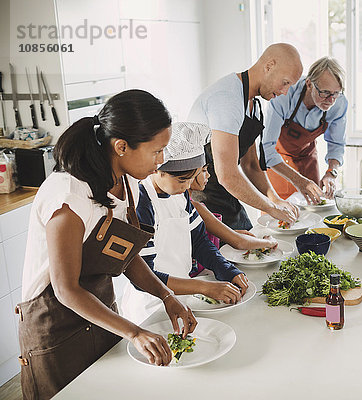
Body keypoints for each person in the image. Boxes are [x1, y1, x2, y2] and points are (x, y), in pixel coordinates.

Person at [17, 90, 197, 399]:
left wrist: (166, 295)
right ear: (122, 147)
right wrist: (134, 331)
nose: (162, 160)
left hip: (101, 315)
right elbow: (66, 290)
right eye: (156, 151)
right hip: (55, 327)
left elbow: (126, 256)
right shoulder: (69, 196)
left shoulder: (127, 185)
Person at [121, 122, 258, 324]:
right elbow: (144, 278)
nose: (186, 187)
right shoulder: (142, 204)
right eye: (182, 180)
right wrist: (204, 287)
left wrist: (228, 271)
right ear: (158, 171)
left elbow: (200, 242)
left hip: (182, 294)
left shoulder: (179, 194)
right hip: (151, 305)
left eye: (192, 178)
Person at [188, 42, 303, 230]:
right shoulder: (227, 98)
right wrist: (271, 207)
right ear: (269, 66)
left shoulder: (254, 106)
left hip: (226, 196)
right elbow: (227, 176)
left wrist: (275, 199)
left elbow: (250, 165)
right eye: (285, 83)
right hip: (203, 200)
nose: (284, 92)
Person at [263, 56, 348, 203]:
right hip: (278, 163)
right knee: (279, 217)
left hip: (308, 160)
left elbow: (337, 144)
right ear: (309, 84)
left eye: (336, 93)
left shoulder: (339, 104)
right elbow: (266, 150)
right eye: (325, 92)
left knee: (313, 215)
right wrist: (299, 181)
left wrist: (331, 173)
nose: (331, 100)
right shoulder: (284, 95)